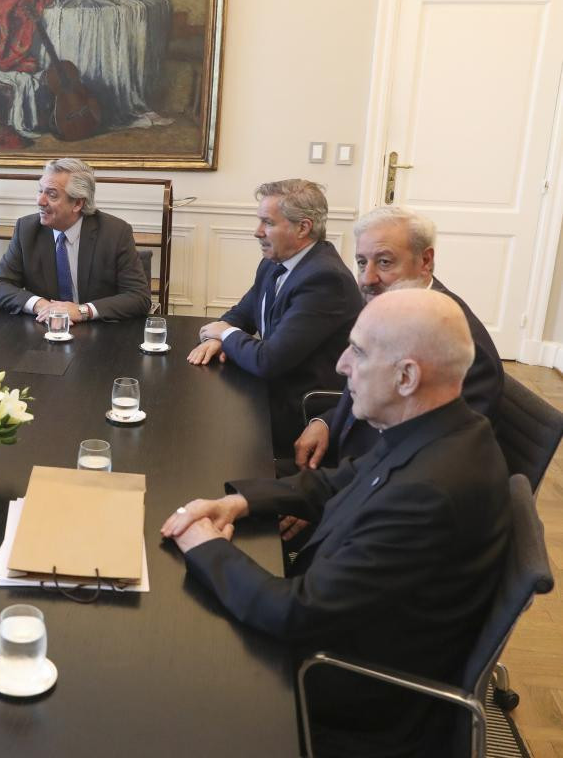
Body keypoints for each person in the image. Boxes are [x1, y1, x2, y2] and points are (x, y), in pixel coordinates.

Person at [161, 289, 510, 756]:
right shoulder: (441, 429)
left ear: (407, 376)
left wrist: (204, 544)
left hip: (350, 694)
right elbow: (343, 478)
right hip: (353, 629)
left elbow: (295, 613)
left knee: (168, 675)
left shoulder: (428, 494)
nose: (342, 365)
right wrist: (243, 503)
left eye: (359, 352)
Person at [293, 205, 503, 467]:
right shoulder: (391, 308)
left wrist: (324, 501)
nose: (366, 278)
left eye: (384, 262)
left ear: (425, 261)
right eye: (361, 262)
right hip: (344, 464)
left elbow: (428, 458)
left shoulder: (457, 343)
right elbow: (373, 393)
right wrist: (326, 422)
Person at [187, 179, 361, 452]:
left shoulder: (325, 279)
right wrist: (222, 335)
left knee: (198, 433)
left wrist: (225, 334)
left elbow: (269, 360)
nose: (257, 232)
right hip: (267, 390)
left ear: (303, 227)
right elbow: (243, 312)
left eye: (267, 223)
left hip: (299, 411)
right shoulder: (274, 262)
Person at [0, 157, 151, 323]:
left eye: (51, 194)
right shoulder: (27, 229)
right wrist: (41, 305)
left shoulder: (115, 232)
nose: (40, 201)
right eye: (40, 191)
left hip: (101, 336)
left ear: (77, 203)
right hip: (45, 331)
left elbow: (139, 297)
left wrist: (82, 311)